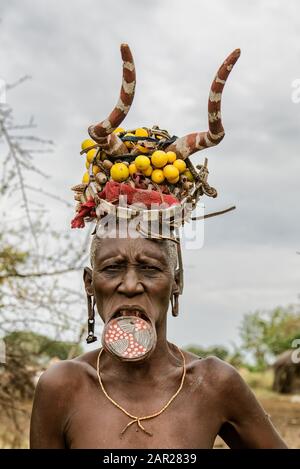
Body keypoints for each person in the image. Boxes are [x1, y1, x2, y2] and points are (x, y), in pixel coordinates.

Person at [30, 44, 287, 449]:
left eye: (150, 268)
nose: (130, 285)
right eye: (112, 268)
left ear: (177, 281)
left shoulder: (215, 384)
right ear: (88, 283)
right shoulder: (61, 389)